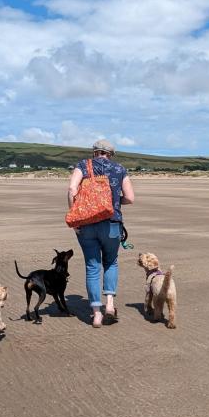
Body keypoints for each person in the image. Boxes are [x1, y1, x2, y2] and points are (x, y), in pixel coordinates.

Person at [67, 139, 135, 328]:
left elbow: (72, 189)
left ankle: (96, 314)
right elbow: (130, 198)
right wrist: (114, 201)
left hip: (87, 224)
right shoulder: (120, 169)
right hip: (112, 224)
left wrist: (75, 218)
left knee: (92, 266)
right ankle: (110, 306)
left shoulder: (83, 165)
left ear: (94, 152)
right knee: (111, 262)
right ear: (111, 154)